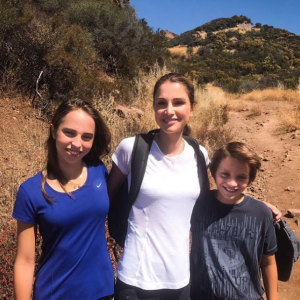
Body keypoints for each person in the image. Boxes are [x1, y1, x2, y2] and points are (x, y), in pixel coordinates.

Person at [13, 98, 114, 300]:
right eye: (69, 132)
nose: (77, 144)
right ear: (53, 131)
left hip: (102, 291)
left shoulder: (98, 171)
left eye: (87, 137)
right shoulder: (31, 191)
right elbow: (24, 261)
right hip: (56, 293)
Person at [190, 142, 278, 300]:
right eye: (225, 174)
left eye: (241, 177)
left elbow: (268, 263)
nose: (232, 183)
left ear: (250, 179)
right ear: (214, 172)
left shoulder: (261, 213)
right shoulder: (197, 205)